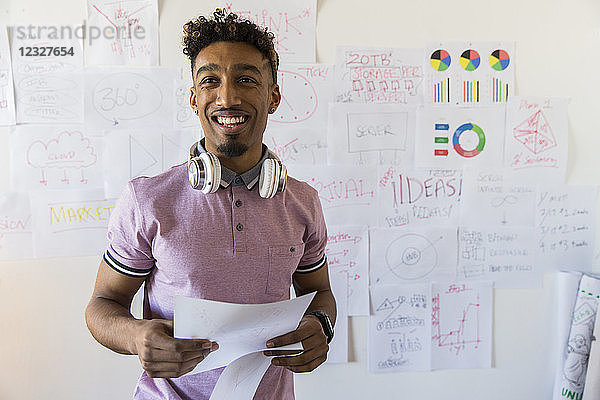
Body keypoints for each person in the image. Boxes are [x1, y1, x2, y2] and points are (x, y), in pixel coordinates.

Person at [84, 8, 336, 400]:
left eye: (246, 80)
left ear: (273, 96)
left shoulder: (302, 202)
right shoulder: (147, 199)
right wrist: (136, 337)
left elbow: (320, 293)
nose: (228, 97)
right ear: (193, 97)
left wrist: (322, 324)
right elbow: (103, 304)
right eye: (210, 81)